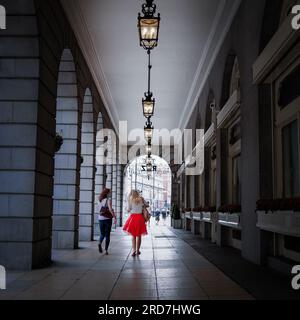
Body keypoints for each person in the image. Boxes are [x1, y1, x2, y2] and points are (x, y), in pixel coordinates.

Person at [123, 190, 148, 257]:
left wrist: (128, 209)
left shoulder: (130, 200)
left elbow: (128, 209)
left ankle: (134, 250)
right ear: (137, 193)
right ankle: (137, 250)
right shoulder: (141, 199)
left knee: (133, 235)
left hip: (133, 218)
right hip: (140, 218)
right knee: (139, 235)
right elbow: (147, 205)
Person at [98, 188, 117, 255]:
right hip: (107, 219)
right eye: (110, 192)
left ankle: (99, 243)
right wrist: (114, 217)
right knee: (107, 235)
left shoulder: (99, 199)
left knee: (102, 233)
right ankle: (106, 250)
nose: (110, 193)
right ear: (107, 193)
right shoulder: (108, 200)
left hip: (100, 218)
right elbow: (110, 209)